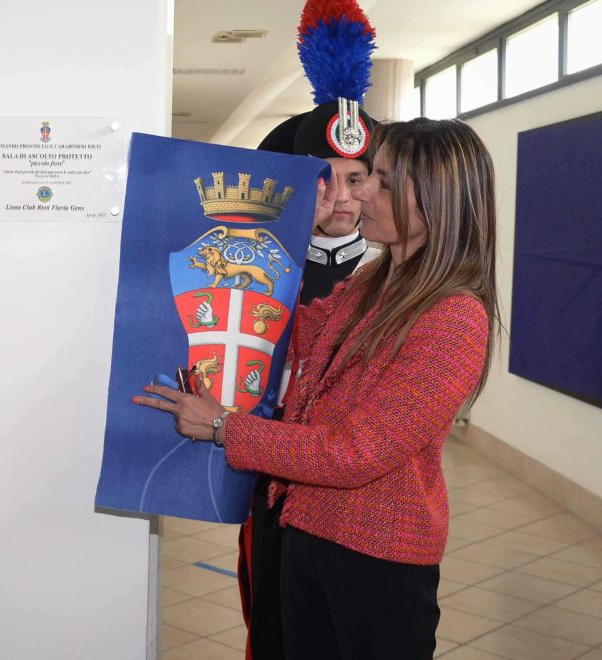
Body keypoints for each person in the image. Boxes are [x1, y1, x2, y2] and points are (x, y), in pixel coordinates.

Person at [134, 117, 499, 659]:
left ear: (437, 202)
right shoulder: (376, 281)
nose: (361, 193)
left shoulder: (453, 318)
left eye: (383, 181)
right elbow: (290, 334)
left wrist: (223, 427)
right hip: (309, 531)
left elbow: (356, 453)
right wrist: (292, 235)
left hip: (374, 560)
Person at [234, 2, 384, 657]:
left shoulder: (394, 272)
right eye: (325, 179)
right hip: (270, 478)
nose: (343, 198)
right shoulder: (257, 266)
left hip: (360, 499)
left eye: (358, 179)